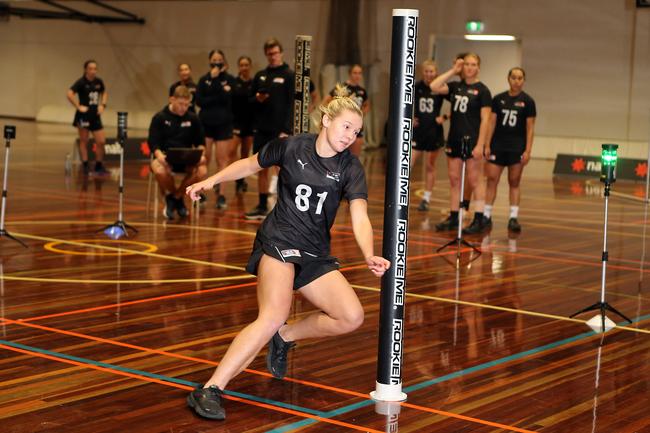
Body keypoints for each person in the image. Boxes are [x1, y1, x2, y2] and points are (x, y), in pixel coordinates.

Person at [184, 84, 390, 421]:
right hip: (279, 240)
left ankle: (285, 336)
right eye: (346, 127)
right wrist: (212, 181)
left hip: (314, 252)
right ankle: (209, 388)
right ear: (326, 120)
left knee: (350, 316)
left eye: (356, 131)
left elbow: (359, 215)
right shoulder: (291, 147)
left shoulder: (351, 168)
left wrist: (368, 252)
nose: (350, 136)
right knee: (271, 314)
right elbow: (248, 165)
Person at [430, 53, 492, 234]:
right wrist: (453, 70)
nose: (470, 67)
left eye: (473, 64)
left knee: (474, 180)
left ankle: (479, 218)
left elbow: (486, 120)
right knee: (454, 179)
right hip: (454, 139)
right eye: (467, 64)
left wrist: (480, 144)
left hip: (472, 141)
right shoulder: (456, 86)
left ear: (478, 67)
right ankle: (454, 216)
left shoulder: (483, 91)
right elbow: (434, 86)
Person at [245, 38, 295, 220]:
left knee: (280, 168)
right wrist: (257, 99)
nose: (273, 56)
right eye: (269, 54)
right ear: (266, 55)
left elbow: (292, 105)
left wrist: (287, 129)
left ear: (281, 53)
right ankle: (261, 204)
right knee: (260, 167)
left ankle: (284, 206)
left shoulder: (290, 75)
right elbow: (249, 101)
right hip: (262, 129)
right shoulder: (260, 75)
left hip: (280, 130)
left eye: (275, 53)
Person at [484, 67, 536, 233]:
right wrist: (486, 144)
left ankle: (513, 218)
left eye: (520, 78)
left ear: (524, 80)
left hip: (516, 147)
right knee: (492, 180)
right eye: (513, 77)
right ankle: (486, 215)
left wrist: (528, 150)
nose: (516, 81)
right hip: (497, 145)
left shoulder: (528, 101)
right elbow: (491, 123)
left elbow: (530, 128)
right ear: (508, 79)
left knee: (514, 181)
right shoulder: (498, 99)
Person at [148, 85, 207, 220]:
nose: (183, 108)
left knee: (202, 170)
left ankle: (174, 197)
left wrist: (201, 154)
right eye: (180, 104)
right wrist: (160, 156)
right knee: (158, 169)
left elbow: (200, 143)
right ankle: (178, 199)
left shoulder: (193, 118)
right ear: (171, 100)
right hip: (166, 157)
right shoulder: (159, 117)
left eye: (186, 105)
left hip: (187, 159)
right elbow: (153, 143)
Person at [196, 49, 236, 210]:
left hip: (224, 124)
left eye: (219, 59)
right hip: (205, 124)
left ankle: (221, 195)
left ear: (224, 62)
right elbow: (200, 101)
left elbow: (228, 99)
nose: (216, 62)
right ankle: (201, 192)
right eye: (214, 59)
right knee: (204, 158)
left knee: (222, 160)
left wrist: (216, 88)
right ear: (209, 61)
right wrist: (214, 82)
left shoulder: (229, 79)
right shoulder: (204, 79)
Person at [411, 60, 447, 212]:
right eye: (426, 71)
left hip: (434, 132)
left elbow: (457, 106)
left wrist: (444, 117)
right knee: (408, 164)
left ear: (436, 72)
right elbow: (405, 103)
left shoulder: (440, 88)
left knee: (430, 166)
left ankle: (426, 199)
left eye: (432, 71)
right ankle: (401, 195)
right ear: (422, 72)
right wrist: (410, 118)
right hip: (418, 132)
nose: (429, 74)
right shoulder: (416, 87)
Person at [67, 59, 108, 175]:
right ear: (86, 70)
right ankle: (85, 165)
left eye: (95, 69)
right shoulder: (81, 82)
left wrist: (103, 105)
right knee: (84, 140)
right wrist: (78, 106)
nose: (93, 71)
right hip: (83, 115)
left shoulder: (99, 81)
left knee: (101, 141)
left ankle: (98, 165)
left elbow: (104, 92)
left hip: (95, 115)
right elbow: (69, 94)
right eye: (91, 69)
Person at [323, 64, 370, 156]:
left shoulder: (362, 91)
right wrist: (335, 114)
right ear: (350, 74)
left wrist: (361, 114)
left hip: (355, 126)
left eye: (360, 73)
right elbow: (325, 102)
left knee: (354, 157)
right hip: (343, 125)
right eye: (355, 73)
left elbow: (367, 105)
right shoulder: (342, 88)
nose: (357, 75)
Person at [232, 56, 255, 194]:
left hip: (250, 124)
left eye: (246, 65)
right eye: (241, 65)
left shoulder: (254, 82)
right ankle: (223, 179)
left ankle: (240, 181)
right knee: (231, 153)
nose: (244, 67)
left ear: (250, 66)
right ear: (239, 67)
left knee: (245, 154)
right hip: (236, 123)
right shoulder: (234, 82)